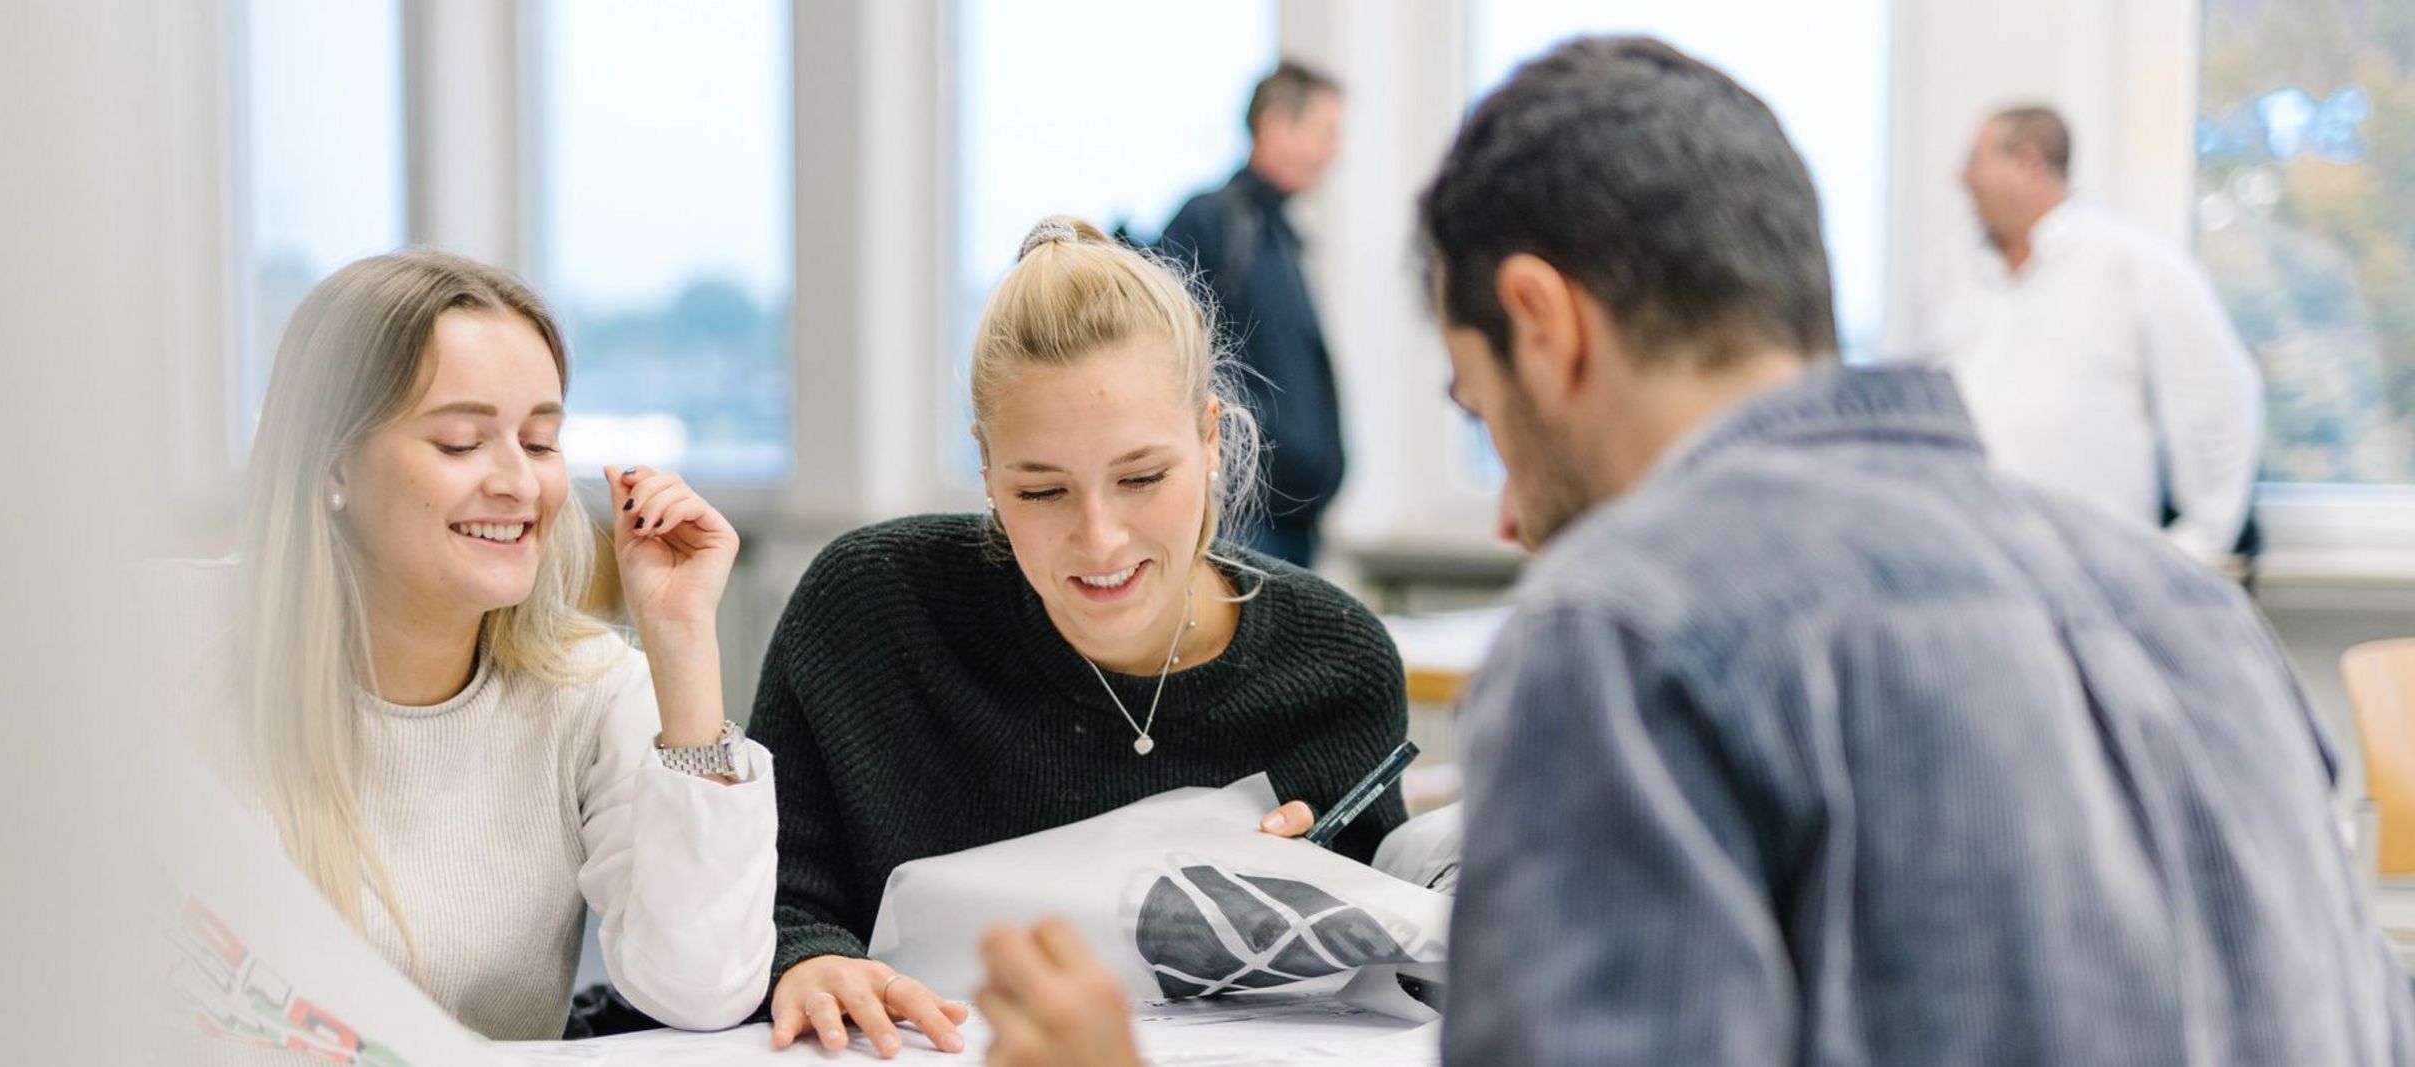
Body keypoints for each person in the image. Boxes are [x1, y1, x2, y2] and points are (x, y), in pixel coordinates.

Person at [972, 35, 2415, 1067]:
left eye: (1490, 417)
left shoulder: (1629, 635)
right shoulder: (2194, 619)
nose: (1508, 517)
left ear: (1547, 321)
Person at [749, 217, 1410, 1059]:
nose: (1100, 540)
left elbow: (1400, 979)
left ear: (1209, 438)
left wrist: (1325, 901)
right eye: (1041, 491)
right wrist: (805, 960)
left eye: (1141, 477)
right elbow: (772, 905)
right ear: (986, 467)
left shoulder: (1335, 667)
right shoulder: (871, 614)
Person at [190, 250, 779, 1040]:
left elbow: (705, 989)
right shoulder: (168, 639)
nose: (519, 482)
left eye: (539, 442)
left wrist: (684, 646)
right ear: (333, 464)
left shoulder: (592, 693)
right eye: (463, 442)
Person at [1888, 104, 2264, 563]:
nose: (1962, 178)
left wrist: (2200, 541)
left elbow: (2215, 396)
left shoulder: (2133, 262)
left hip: (2094, 569)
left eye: (1974, 160)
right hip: (1959, 563)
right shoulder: (1944, 273)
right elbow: (1902, 402)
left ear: (2028, 163)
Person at [1157, 60, 1346, 568]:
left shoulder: (1278, 234)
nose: (1333, 152)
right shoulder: (1213, 220)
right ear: (1275, 125)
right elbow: (1167, 356)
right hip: (1245, 517)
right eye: (1324, 132)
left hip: (1294, 519)